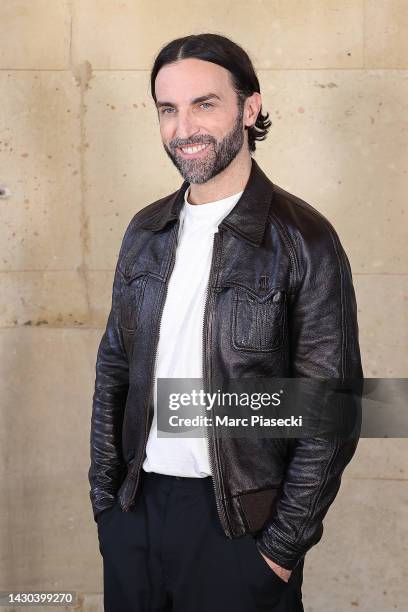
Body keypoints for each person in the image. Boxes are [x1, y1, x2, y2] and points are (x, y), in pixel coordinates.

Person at [88, 33, 363, 612]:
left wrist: (280, 549)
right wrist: (106, 507)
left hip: (238, 525)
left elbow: (333, 410)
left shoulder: (303, 240)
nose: (183, 127)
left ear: (250, 107)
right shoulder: (144, 233)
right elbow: (114, 372)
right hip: (136, 515)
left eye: (204, 104)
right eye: (168, 109)